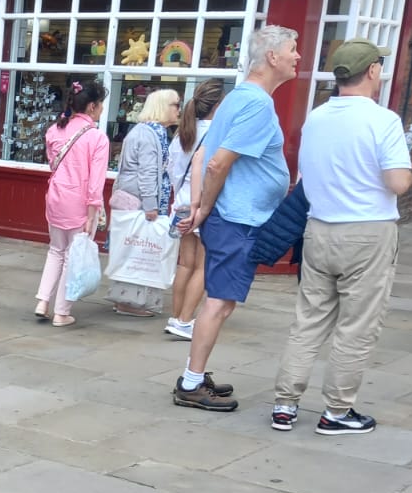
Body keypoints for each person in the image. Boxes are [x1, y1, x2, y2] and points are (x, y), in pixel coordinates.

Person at [269, 39, 412, 434]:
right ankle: (336, 411)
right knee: (357, 326)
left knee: (308, 321)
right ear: (371, 71)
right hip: (368, 232)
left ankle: (285, 404)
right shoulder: (382, 120)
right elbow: (397, 182)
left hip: (319, 228)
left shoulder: (316, 117)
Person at [174, 25, 299, 412]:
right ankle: (191, 383)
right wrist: (205, 208)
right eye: (293, 50)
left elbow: (205, 158)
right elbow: (216, 162)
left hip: (232, 218)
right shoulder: (256, 104)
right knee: (219, 303)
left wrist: (201, 208)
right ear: (273, 57)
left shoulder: (237, 98)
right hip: (237, 220)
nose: (298, 57)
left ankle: (195, 374)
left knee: (221, 301)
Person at [34, 79, 109, 327]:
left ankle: (42, 301)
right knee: (72, 256)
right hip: (79, 201)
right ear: (91, 106)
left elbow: (51, 162)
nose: (101, 110)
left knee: (56, 250)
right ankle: (62, 312)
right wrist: (93, 213)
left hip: (55, 197)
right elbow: (96, 182)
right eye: (100, 106)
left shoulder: (55, 130)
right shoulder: (97, 138)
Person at [108, 89, 180, 317]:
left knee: (133, 248)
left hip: (135, 199)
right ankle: (130, 303)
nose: (179, 109)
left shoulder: (147, 132)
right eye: (175, 104)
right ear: (162, 107)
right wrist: (151, 206)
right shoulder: (150, 134)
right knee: (139, 250)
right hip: (139, 202)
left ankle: (128, 301)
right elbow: (148, 173)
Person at [164, 79, 225, 341]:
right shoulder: (217, 134)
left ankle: (176, 316)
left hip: (181, 203)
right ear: (217, 105)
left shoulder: (182, 134)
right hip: (203, 205)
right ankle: (185, 319)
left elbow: (170, 168)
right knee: (203, 266)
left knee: (185, 265)